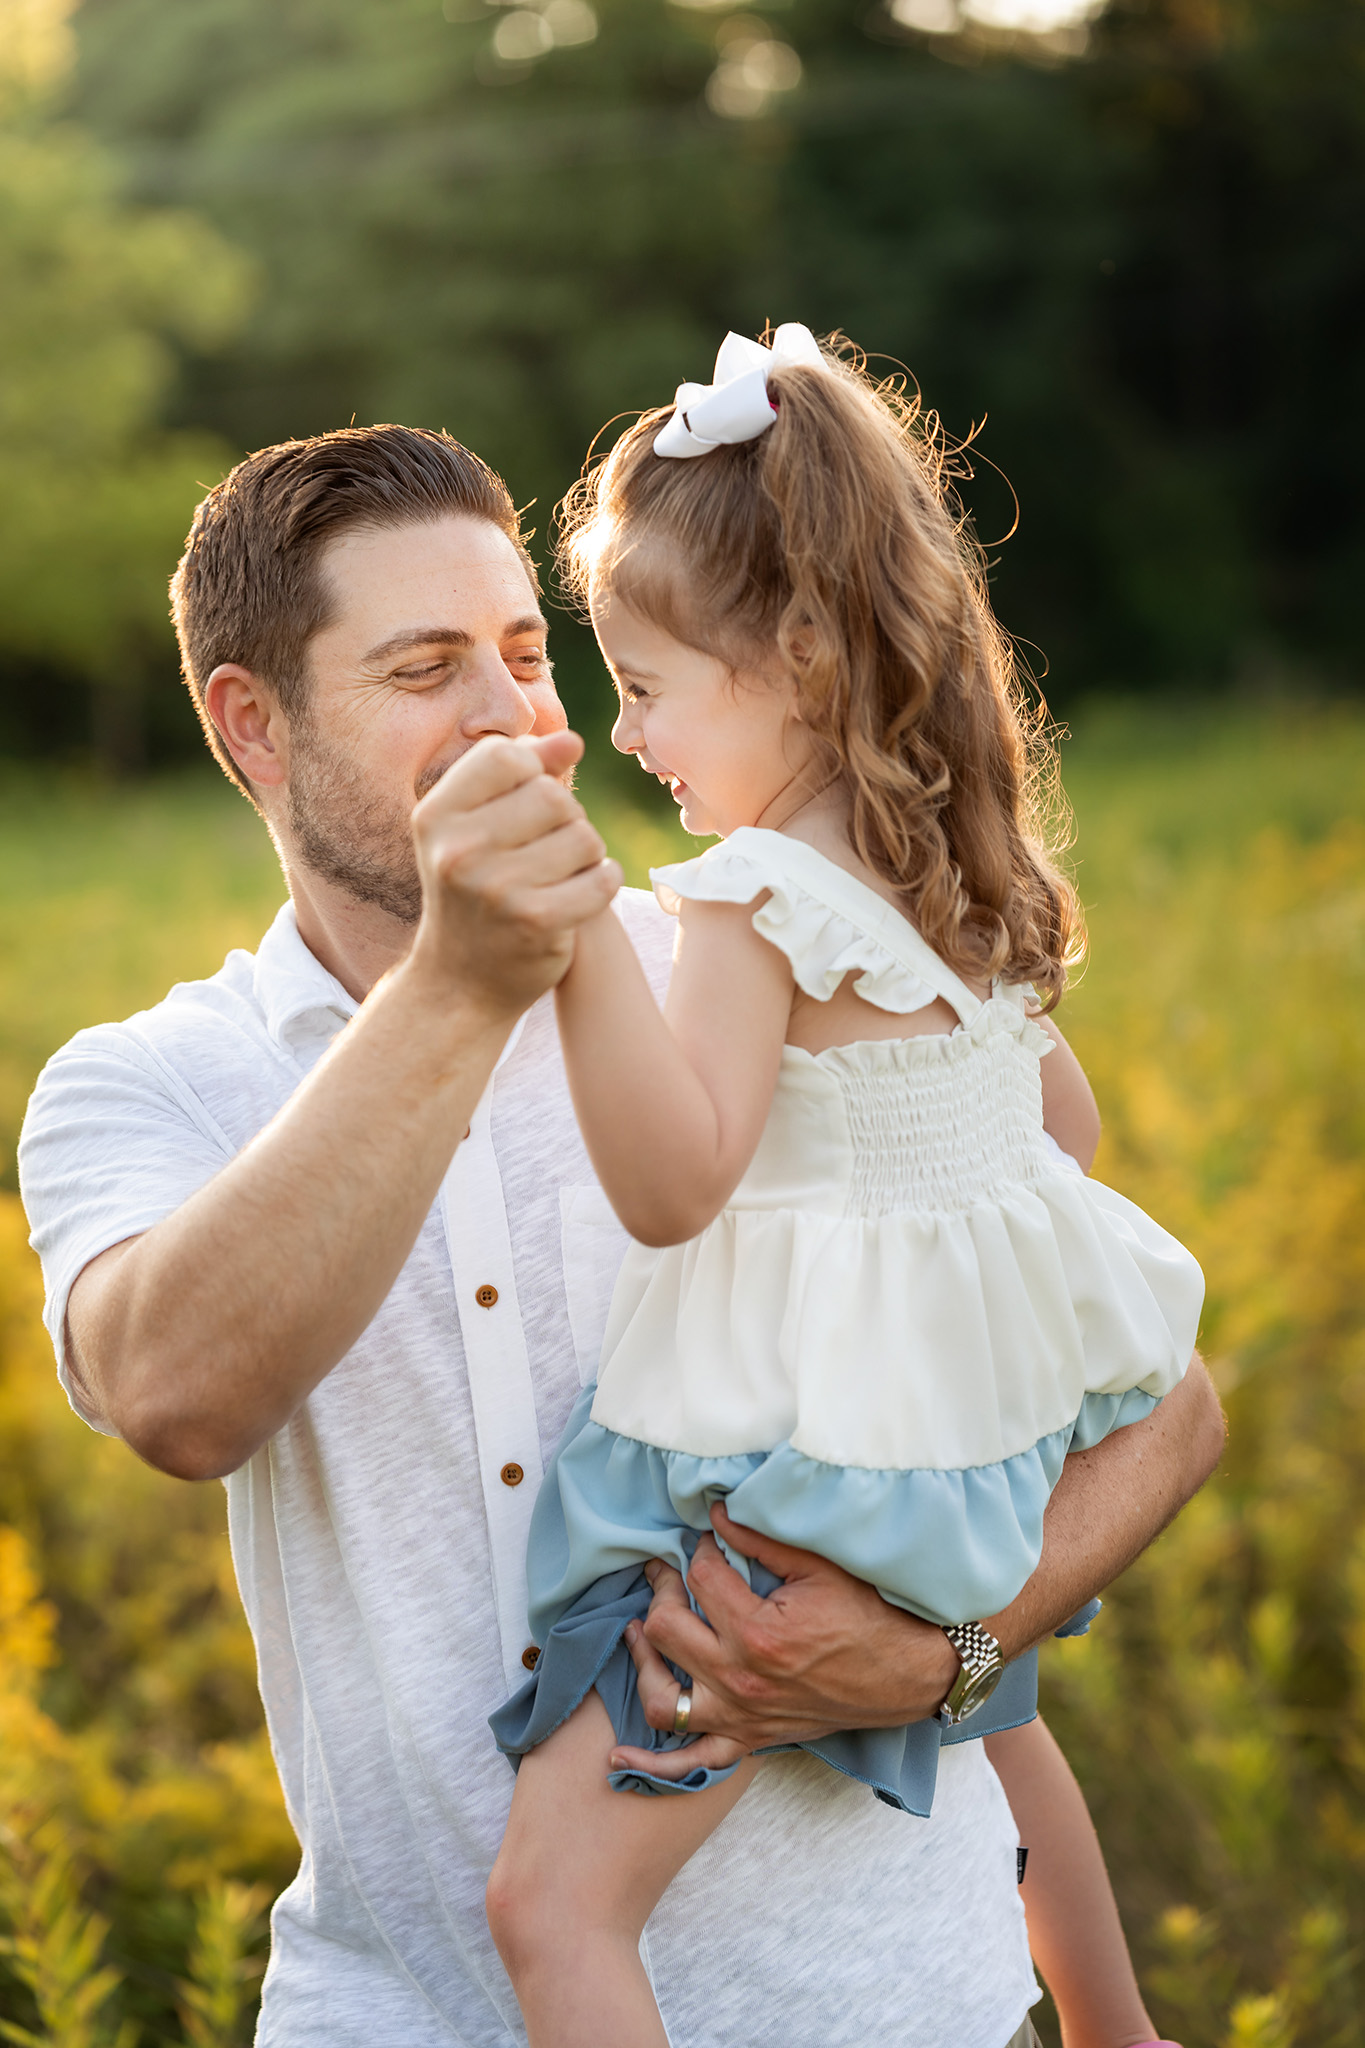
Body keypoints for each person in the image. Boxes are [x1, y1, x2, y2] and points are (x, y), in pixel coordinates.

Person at [17, 423, 1221, 2048]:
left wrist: (938, 1654)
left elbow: (1155, 1398)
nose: (518, 713)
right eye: (425, 668)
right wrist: (467, 975)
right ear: (255, 728)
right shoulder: (150, 1082)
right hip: (408, 2018)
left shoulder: (756, 964)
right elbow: (174, 1393)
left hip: (904, 2004)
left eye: (529, 654)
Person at [485, 327, 1199, 2048]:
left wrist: (585, 942)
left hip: (795, 1492)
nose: (621, 729)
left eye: (647, 686)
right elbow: (1068, 1145)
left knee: (550, 1908)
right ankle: (1121, 2032)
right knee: (1000, 1734)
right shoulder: (955, 877)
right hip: (966, 1476)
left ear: (796, 651)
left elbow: (670, 1188)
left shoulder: (747, 899)